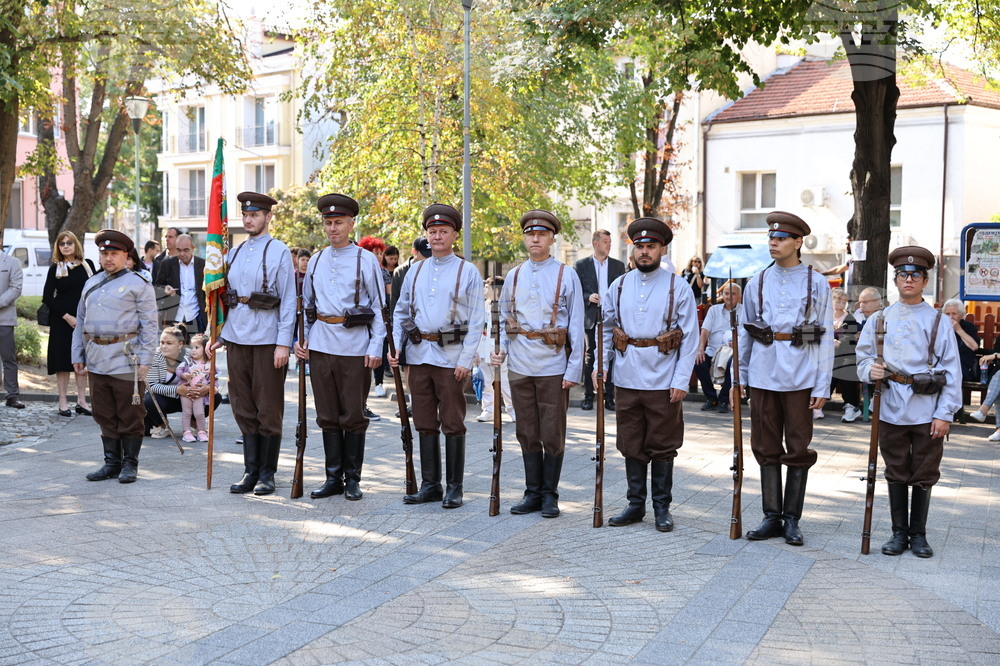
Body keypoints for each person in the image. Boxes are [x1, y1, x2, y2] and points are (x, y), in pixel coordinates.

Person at [734, 211, 834, 546]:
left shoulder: (816, 282)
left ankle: (792, 519)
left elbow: (824, 336)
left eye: (781, 239)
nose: (773, 243)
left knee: (797, 447)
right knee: (764, 445)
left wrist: (822, 385)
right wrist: (740, 377)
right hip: (763, 374)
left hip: (801, 376)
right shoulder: (758, 280)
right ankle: (771, 515)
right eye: (771, 238)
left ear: (798, 242)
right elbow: (746, 332)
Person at [856, 246, 961, 558]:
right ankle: (898, 534)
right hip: (889, 405)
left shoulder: (938, 321)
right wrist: (869, 370)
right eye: (903, 275)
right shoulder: (878, 319)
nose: (909, 280)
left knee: (925, 470)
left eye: (916, 275)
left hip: (926, 408)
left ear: (925, 281)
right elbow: (862, 360)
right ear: (896, 279)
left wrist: (945, 414)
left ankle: (919, 535)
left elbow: (951, 370)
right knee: (896, 469)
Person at [594, 218, 698, 531]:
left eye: (650, 246)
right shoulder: (620, 284)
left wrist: (681, 381)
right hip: (626, 377)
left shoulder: (676, 286)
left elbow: (690, 337)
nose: (644, 252)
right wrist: (601, 366)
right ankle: (635, 504)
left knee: (663, 444)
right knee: (631, 441)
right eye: (639, 246)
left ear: (662, 249)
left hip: (663, 379)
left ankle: (661, 509)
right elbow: (606, 328)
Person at [389, 204, 484, 509]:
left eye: (443, 231)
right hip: (418, 355)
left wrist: (466, 360)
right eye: (432, 232)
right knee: (425, 422)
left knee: (453, 422)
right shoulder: (415, 270)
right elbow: (401, 311)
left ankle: (454, 487)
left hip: (451, 356)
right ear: (426, 236)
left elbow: (476, 319)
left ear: (454, 234)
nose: (437, 236)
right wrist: (397, 347)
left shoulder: (467, 271)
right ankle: (430, 485)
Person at [493, 210, 585, 518]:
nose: (536, 239)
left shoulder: (566, 274)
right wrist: (501, 352)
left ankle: (550, 495)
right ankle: (532, 492)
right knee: (526, 429)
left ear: (551, 239)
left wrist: (574, 369)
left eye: (542, 234)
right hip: (520, 363)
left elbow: (576, 325)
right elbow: (507, 320)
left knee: (552, 432)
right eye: (531, 234)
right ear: (525, 238)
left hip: (552, 365)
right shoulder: (516, 275)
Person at [295, 193, 386, 500]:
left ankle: (352, 479)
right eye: (328, 223)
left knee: (353, 414)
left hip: (355, 345)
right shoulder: (318, 259)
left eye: (338, 222)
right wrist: (302, 340)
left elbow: (378, 307)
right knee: (327, 414)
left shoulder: (365, 260)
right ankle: (333, 477)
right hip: (321, 344)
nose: (333, 228)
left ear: (351, 224)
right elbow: (307, 305)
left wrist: (376, 347)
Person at [220, 191, 296, 496]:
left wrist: (283, 344)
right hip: (236, 338)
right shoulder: (233, 253)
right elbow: (223, 298)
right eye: (246, 215)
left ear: (268, 217)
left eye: (255, 215)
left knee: (268, 407)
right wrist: (218, 335)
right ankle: (250, 470)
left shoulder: (279, 251)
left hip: (267, 339)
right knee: (242, 405)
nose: (249, 219)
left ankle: (267, 473)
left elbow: (289, 300)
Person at [72, 230, 157, 483]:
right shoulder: (90, 283)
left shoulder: (139, 284)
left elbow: (150, 325)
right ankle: (111, 463)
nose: (108, 258)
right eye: (104, 253)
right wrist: (78, 353)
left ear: (125, 255)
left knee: (130, 414)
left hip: (125, 358)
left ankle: (130, 464)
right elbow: (81, 323)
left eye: (114, 254)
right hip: (96, 357)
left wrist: (145, 359)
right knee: (104, 413)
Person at [42, 231, 95, 416]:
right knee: (62, 361)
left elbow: (94, 291)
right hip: (62, 321)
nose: (65, 246)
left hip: (84, 320)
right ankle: (63, 401)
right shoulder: (55, 268)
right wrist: (66, 316)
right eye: (62, 243)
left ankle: (82, 400)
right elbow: (47, 297)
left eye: (69, 243)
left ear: (76, 245)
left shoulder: (87, 266)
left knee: (81, 360)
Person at [575, 230, 626, 412]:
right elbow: (575, 292)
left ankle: (609, 398)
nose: (609, 245)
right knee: (591, 356)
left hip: (611, 318)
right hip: (591, 317)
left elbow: (623, 292)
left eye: (610, 242)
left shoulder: (619, 266)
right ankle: (589, 396)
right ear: (595, 243)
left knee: (610, 356)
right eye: (605, 241)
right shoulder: (581, 265)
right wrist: (589, 296)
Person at [144, 324, 219, 438]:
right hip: (164, 398)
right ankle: (162, 426)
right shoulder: (155, 356)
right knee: (148, 399)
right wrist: (178, 390)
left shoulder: (191, 354)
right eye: (162, 342)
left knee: (216, 396)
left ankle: (195, 424)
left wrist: (208, 388)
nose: (164, 346)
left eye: (169, 343)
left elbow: (208, 371)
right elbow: (151, 386)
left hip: (191, 395)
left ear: (180, 344)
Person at [693, 282, 742, 414]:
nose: (729, 297)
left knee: (733, 364)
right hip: (713, 350)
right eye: (726, 293)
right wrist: (700, 349)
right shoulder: (714, 310)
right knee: (699, 363)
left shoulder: (744, 311)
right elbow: (705, 331)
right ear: (722, 295)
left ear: (740, 296)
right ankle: (711, 398)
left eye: (733, 294)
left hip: (733, 350)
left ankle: (724, 399)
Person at [358, 235, 391, 413]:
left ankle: (378, 384)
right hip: (362, 322)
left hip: (380, 318)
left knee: (379, 353)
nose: (378, 256)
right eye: (374, 253)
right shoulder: (360, 268)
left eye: (380, 253)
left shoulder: (385, 272)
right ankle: (362, 404)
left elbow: (387, 298)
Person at [476, 277, 514, 423]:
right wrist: (476, 351)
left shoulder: (505, 306)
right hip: (484, 348)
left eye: (487, 287)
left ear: (496, 290)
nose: (484, 289)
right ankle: (488, 409)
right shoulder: (483, 305)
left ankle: (512, 409)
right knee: (485, 381)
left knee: (504, 382)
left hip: (498, 350)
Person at [154, 233, 206, 334]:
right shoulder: (167, 265)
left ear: (193, 248)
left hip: (196, 316)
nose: (182, 254)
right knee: (174, 348)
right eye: (179, 250)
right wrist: (164, 289)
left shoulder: (202, 265)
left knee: (195, 349)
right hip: (174, 317)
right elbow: (156, 287)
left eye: (186, 250)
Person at [830, 287, 862, 423]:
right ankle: (817, 401)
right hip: (826, 354)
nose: (841, 305)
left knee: (845, 367)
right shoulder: (825, 316)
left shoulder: (849, 319)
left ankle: (851, 405)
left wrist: (838, 343)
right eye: (838, 301)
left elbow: (848, 339)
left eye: (844, 302)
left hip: (845, 354)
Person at [176, 333, 214, 443]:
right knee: (186, 412)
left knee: (199, 413)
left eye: (197, 347)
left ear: (205, 348)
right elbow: (178, 370)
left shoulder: (209, 364)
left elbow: (213, 378)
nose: (193, 350)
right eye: (191, 348)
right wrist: (183, 375)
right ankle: (186, 432)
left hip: (199, 392)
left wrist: (209, 386)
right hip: (186, 390)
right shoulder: (187, 362)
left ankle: (201, 431)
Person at [0, 243, 23, 409]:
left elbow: (15, 288)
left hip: (4, 319)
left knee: (8, 359)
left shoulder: (12, 262)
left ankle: (12, 395)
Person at [941, 298, 980, 383]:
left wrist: (958, 329)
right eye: (947, 314)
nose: (950, 317)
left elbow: (974, 347)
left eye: (954, 314)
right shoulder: (939, 327)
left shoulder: (968, 327)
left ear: (961, 315)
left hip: (961, 367)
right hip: (942, 366)